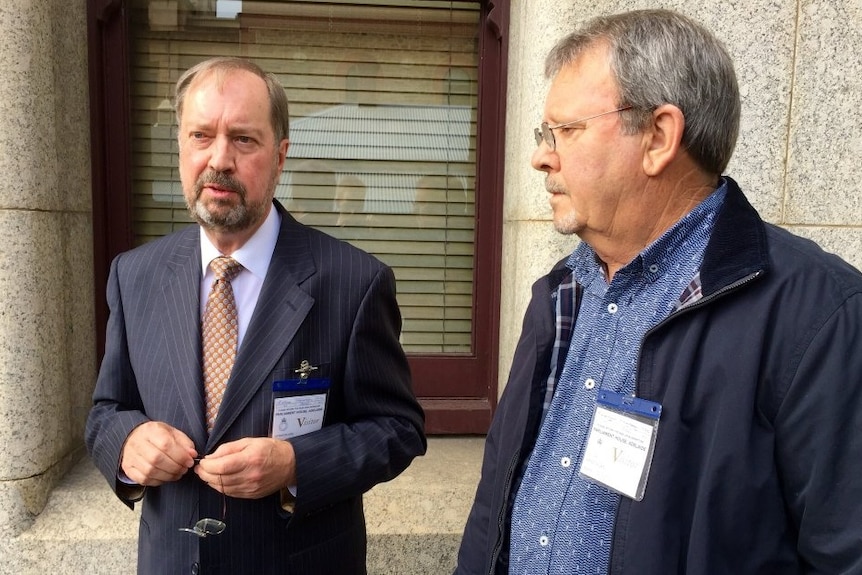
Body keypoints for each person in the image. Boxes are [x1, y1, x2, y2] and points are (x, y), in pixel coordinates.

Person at [455, 9, 862, 575]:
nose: (541, 156)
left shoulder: (819, 316)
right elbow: (497, 498)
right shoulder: (559, 295)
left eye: (566, 131)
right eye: (543, 134)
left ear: (658, 137)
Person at [85, 57, 426, 575]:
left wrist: (296, 465)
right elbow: (107, 410)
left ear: (280, 156)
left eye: (243, 139)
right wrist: (127, 444)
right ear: (180, 145)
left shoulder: (354, 281)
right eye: (201, 135)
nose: (219, 159)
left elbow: (398, 429)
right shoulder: (134, 276)